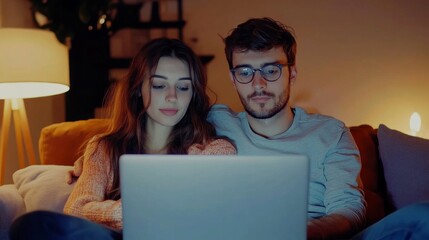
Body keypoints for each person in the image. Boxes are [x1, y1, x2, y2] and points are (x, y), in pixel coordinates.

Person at [207, 17, 429, 240]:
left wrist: (305, 233)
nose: (258, 84)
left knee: (421, 216)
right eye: (245, 72)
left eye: (271, 70)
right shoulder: (216, 122)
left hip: (318, 235)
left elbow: (348, 210)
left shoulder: (331, 133)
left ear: (292, 74)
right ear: (233, 79)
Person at [9, 38, 236, 240]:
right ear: (139, 89)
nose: (172, 97)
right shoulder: (104, 148)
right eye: (159, 85)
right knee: (32, 225)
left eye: (183, 87)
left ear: (193, 94)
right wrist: (129, 213)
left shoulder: (215, 151)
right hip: (115, 237)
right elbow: (77, 209)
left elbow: (205, 216)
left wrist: (144, 213)